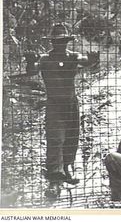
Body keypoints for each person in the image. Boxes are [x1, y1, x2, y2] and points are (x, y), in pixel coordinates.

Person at [24, 23, 100, 198]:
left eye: (64, 40)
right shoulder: (44, 59)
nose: (60, 44)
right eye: (57, 41)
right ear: (52, 42)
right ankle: (54, 178)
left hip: (71, 104)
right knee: (55, 138)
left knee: (72, 137)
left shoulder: (73, 57)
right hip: (54, 104)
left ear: (67, 41)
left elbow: (87, 62)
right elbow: (32, 71)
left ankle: (68, 167)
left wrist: (94, 59)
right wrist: (30, 61)